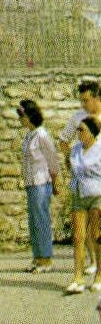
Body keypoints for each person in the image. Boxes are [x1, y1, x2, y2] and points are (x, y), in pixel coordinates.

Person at [58, 78, 101, 281]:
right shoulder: (78, 118)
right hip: (86, 180)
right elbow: (63, 140)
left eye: (86, 100)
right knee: (90, 228)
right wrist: (70, 161)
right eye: (81, 101)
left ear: (96, 97)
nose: (83, 105)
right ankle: (93, 262)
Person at [16, 98, 59, 271]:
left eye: (22, 116)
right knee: (34, 221)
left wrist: (56, 184)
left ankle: (46, 259)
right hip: (31, 183)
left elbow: (53, 161)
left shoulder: (42, 135)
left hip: (42, 182)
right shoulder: (29, 135)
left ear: (30, 115)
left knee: (41, 220)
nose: (20, 119)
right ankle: (37, 256)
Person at [64, 116, 101, 294]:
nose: (78, 133)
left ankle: (99, 276)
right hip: (79, 194)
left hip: (97, 194)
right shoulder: (76, 149)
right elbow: (71, 168)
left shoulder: (100, 149)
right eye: (78, 130)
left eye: (82, 130)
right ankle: (77, 277)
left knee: (96, 236)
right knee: (78, 237)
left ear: (92, 132)